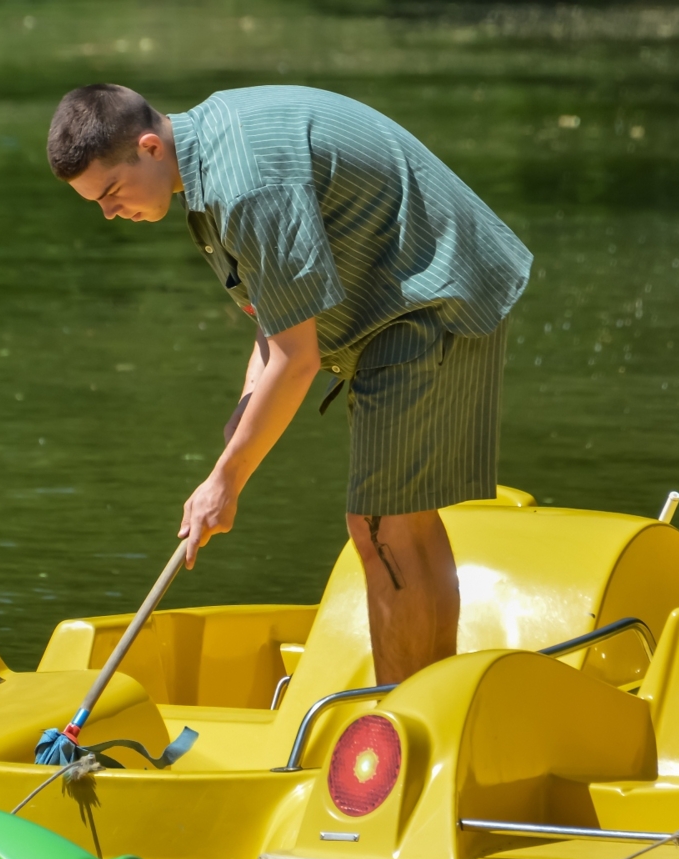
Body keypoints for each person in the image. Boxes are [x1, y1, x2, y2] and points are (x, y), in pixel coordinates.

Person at [45, 83, 532, 685]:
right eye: (95, 202)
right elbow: (276, 323)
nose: (109, 213)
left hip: (432, 297)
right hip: (404, 302)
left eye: (112, 193)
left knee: (380, 525)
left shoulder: (246, 186)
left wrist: (226, 482)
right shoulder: (204, 160)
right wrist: (241, 425)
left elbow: (296, 359)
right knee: (401, 523)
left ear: (148, 146)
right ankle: (432, 706)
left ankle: (402, 731)